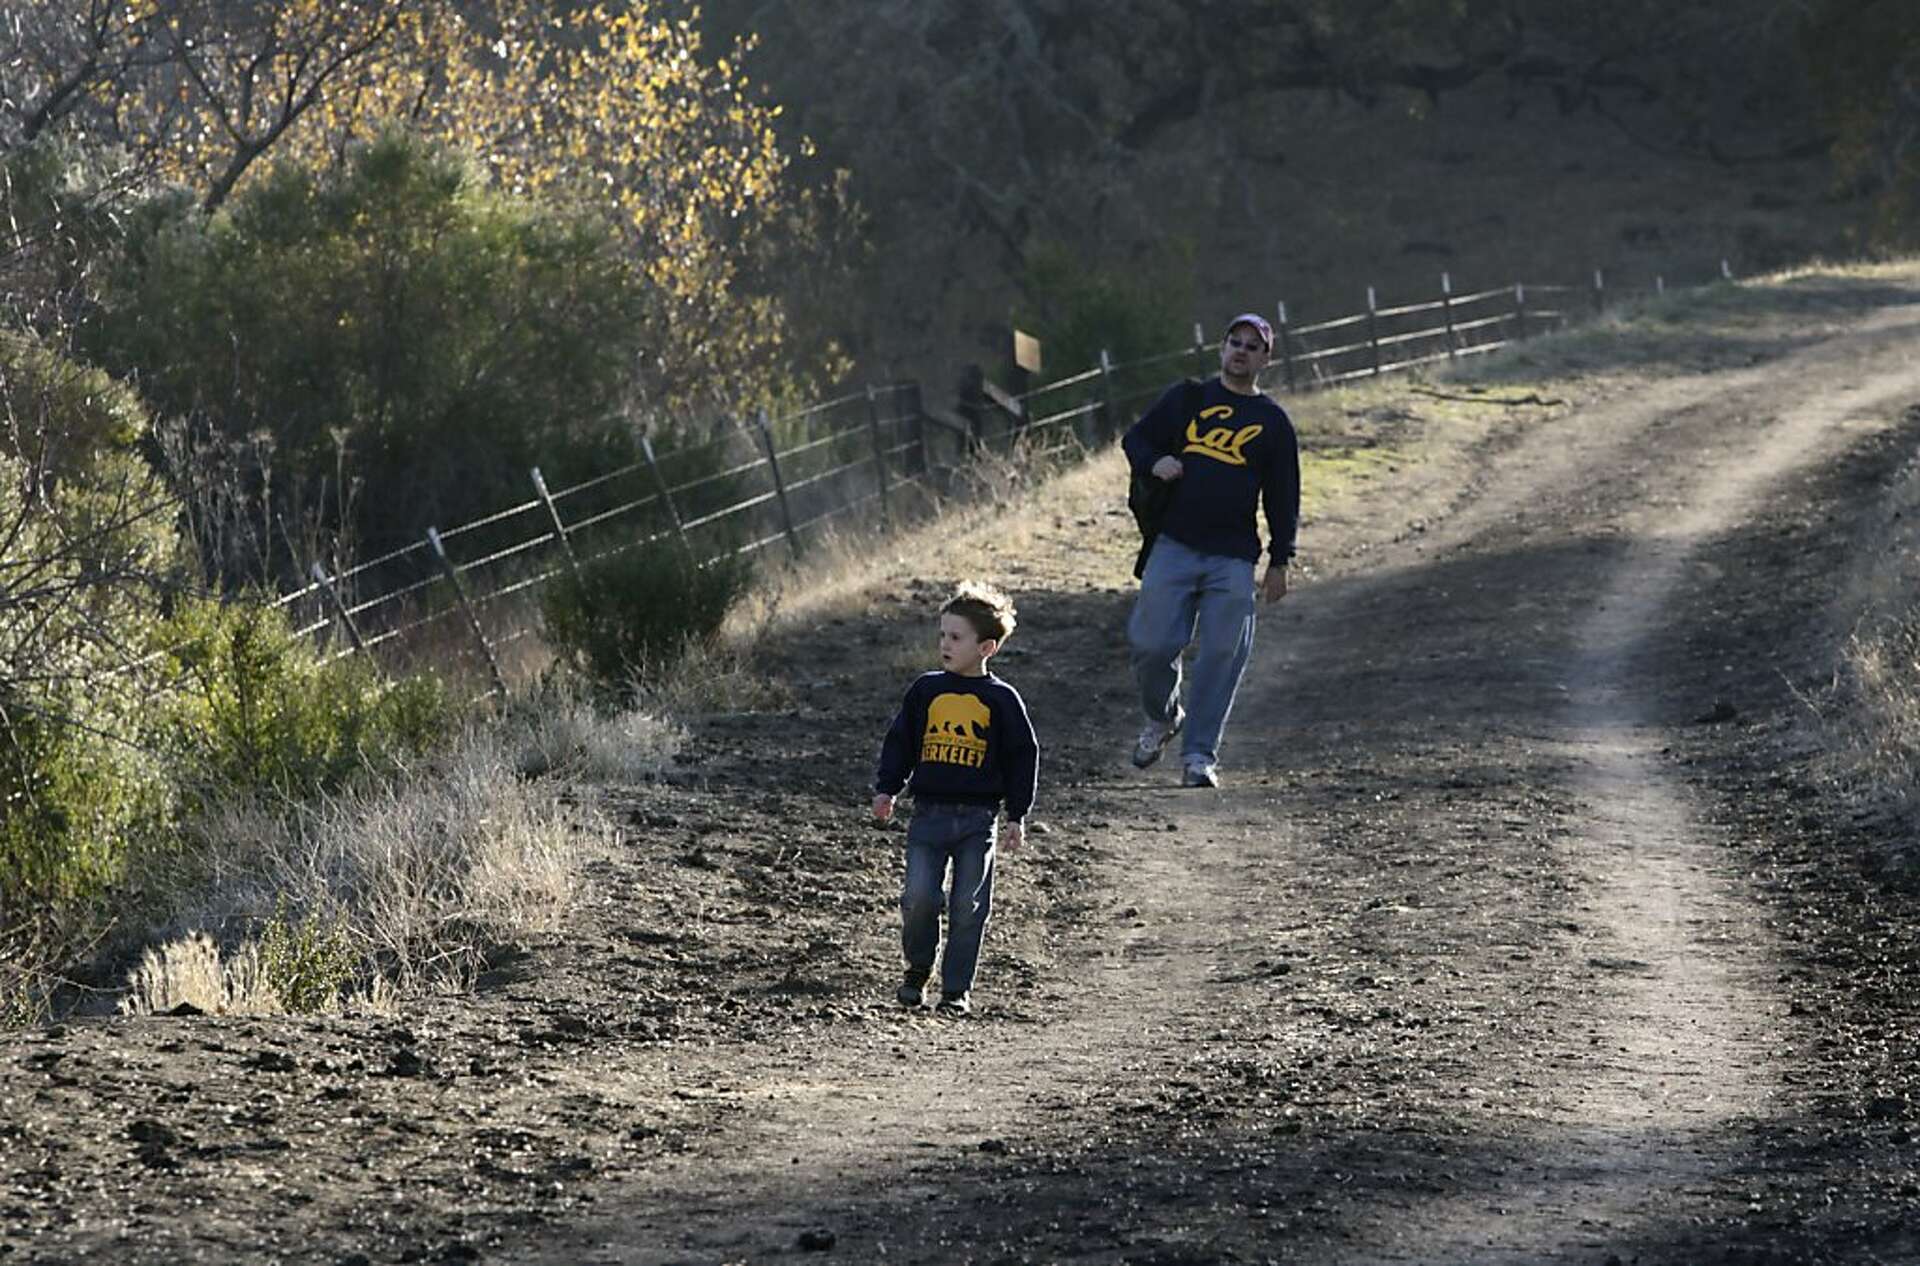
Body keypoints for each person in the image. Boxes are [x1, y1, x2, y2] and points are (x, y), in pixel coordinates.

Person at [1122, 312, 1299, 789]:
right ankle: (1162, 718)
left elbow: (1284, 496)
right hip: (1174, 544)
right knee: (1151, 645)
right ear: (1222, 348)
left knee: (1223, 654)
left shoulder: (1273, 423)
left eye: (1252, 345)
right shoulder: (1187, 399)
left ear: (1266, 358)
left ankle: (1199, 756)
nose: (1241, 350)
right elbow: (1134, 438)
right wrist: (1154, 460)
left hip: (1234, 556)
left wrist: (1281, 560)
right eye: (1234, 341)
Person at [872, 582, 1039, 1016]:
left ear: (987, 647)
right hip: (927, 815)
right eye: (942, 635)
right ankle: (918, 969)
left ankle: (956, 990)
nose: (945, 644)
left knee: (969, 905)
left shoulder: (1002, 700)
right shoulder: (925, 690)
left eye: (956, 637)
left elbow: (1023, 757)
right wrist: (887, 788)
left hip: (978, 821)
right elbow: (900, 743)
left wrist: (1017, 815)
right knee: (919, 897)